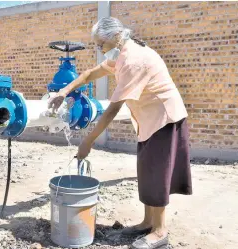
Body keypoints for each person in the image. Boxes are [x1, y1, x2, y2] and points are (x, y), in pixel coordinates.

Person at [48, 17, 192, 249]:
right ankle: (147, 222)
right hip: (148, 120)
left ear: (115, 37)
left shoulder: (133, 60)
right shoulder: (121, 53)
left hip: (164, 119)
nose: (98, 49)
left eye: (100, 44)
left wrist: (89, 140)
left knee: (158, 174)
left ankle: (159, 231)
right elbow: (89, 74)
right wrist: (64, 91)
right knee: (147, 171)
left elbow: (113, 108)